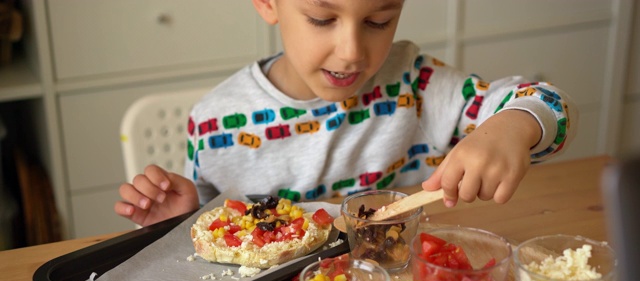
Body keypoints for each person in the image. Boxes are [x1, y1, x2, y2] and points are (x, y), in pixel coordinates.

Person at [115, 0, 577, 227]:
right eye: (322, 18)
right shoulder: (215, 125)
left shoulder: (413, 84)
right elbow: (211, 231)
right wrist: (180, 221)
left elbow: (548, 105)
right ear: (268, 3)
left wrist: (511, 127)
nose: (352, 52)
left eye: (379, 21)